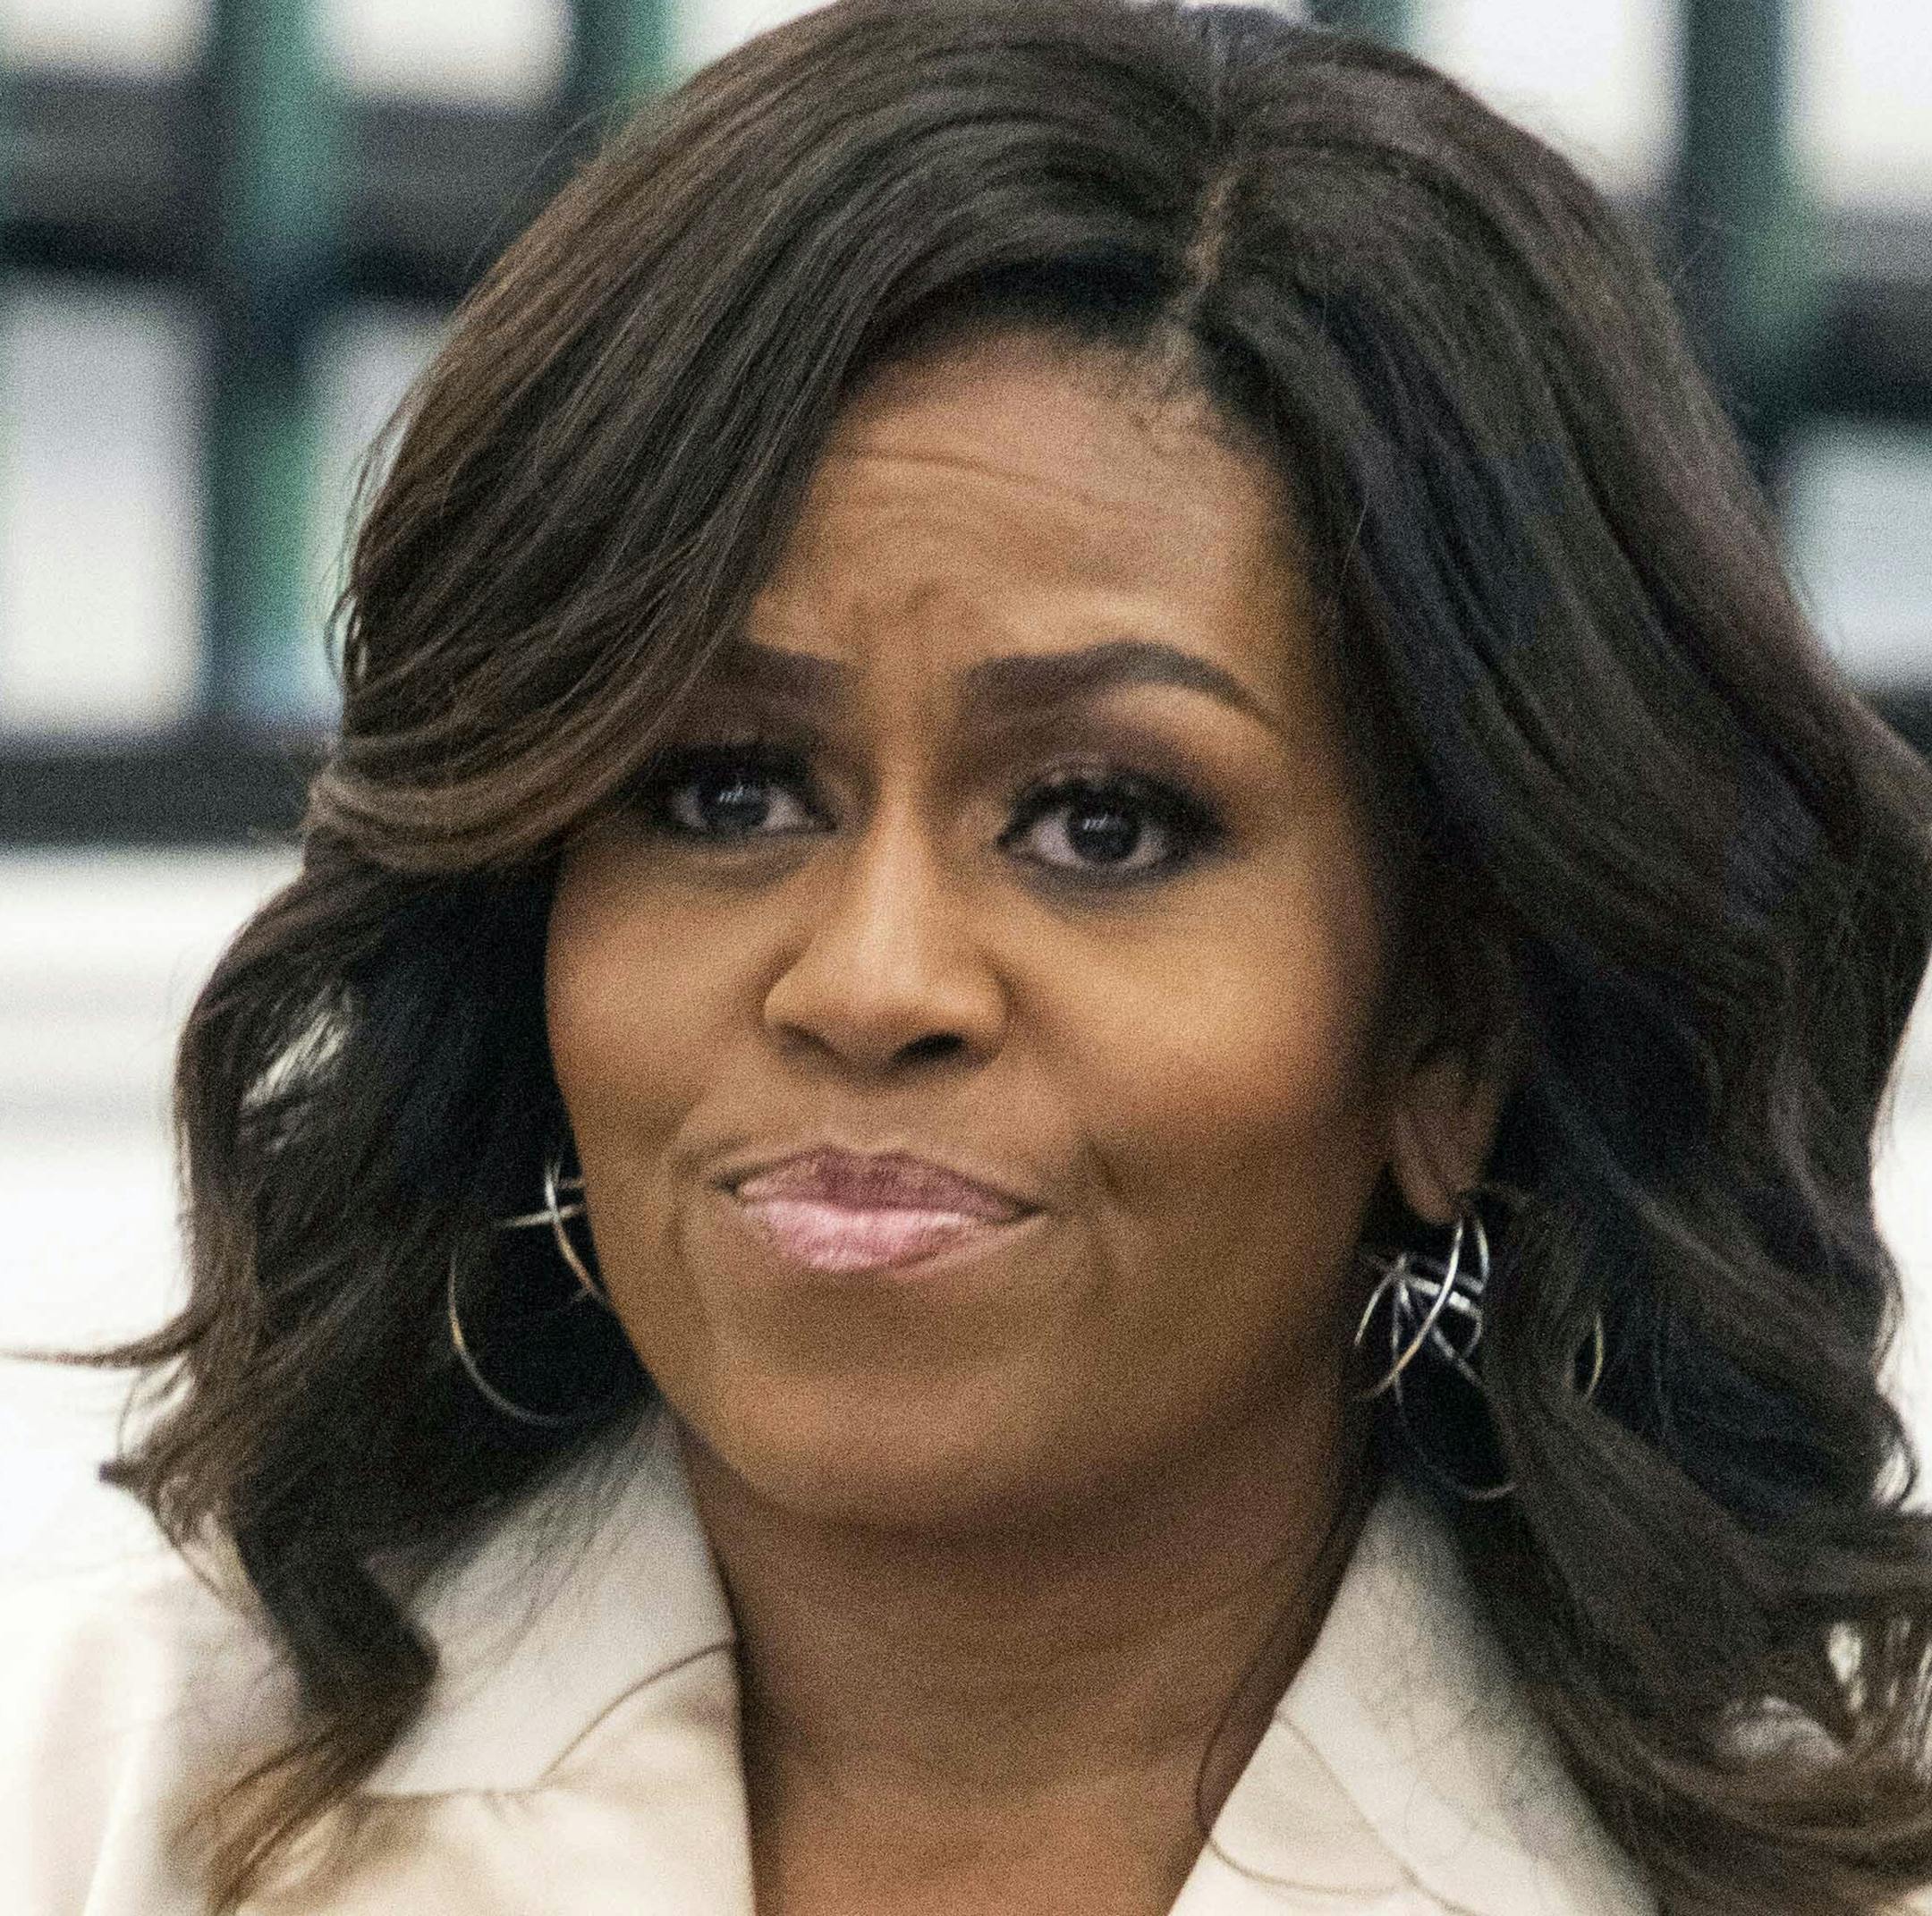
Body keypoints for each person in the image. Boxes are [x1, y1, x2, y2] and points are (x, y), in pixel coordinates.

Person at [6, 1, 1932, 1910]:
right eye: (728, 792)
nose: (869, 981)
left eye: (1103, 822)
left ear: (1451, 1025)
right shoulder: (114, 1801)